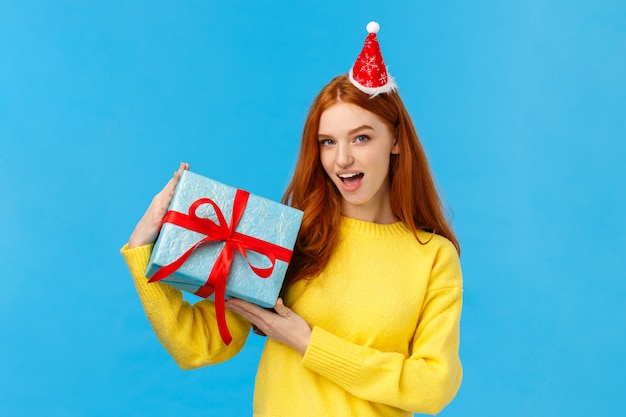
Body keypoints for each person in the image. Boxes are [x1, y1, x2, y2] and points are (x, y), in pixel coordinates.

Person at [121, 22, 462, 416]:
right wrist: (144, 247)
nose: (342, 159)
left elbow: (432, 385)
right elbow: (200, 344)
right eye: (328, 142)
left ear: (397, 140)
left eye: (361, 138)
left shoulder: (432, 258)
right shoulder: (290, 238)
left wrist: (308, 342)